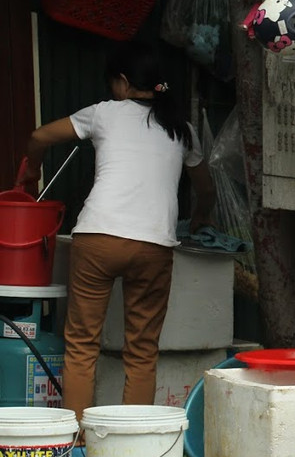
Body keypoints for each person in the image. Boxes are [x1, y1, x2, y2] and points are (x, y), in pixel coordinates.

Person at [18, 44, 215, 423]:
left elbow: (39, 137)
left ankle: (74, 440)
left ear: (123, 83)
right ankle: (133, 440)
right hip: (154, 246)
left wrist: (31, 173)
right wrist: (202, 219)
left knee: (81, 345)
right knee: (142, 351)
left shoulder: (105, 113)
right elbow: (206, 190)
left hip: (98, 238)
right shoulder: (182, 130)